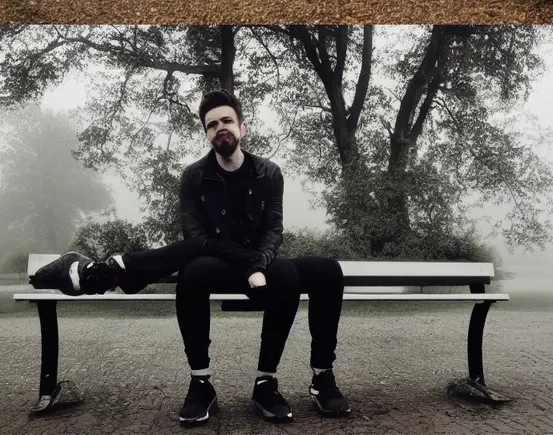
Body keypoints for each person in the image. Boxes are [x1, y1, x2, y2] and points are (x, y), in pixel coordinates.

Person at [30, 91, 349, 424]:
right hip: (216, 264)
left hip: (263, 265)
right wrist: (249, 264)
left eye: (227, 121)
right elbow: (197, 240)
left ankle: (288, 381)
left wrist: (259, 262)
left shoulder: (269, 173)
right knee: (194, 271)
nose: (220, 128)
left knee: (322, 271)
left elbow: (273, 231)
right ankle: (201, 384)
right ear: (207, 135)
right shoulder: (194, 177)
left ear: (243, 127)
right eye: (212, 125)